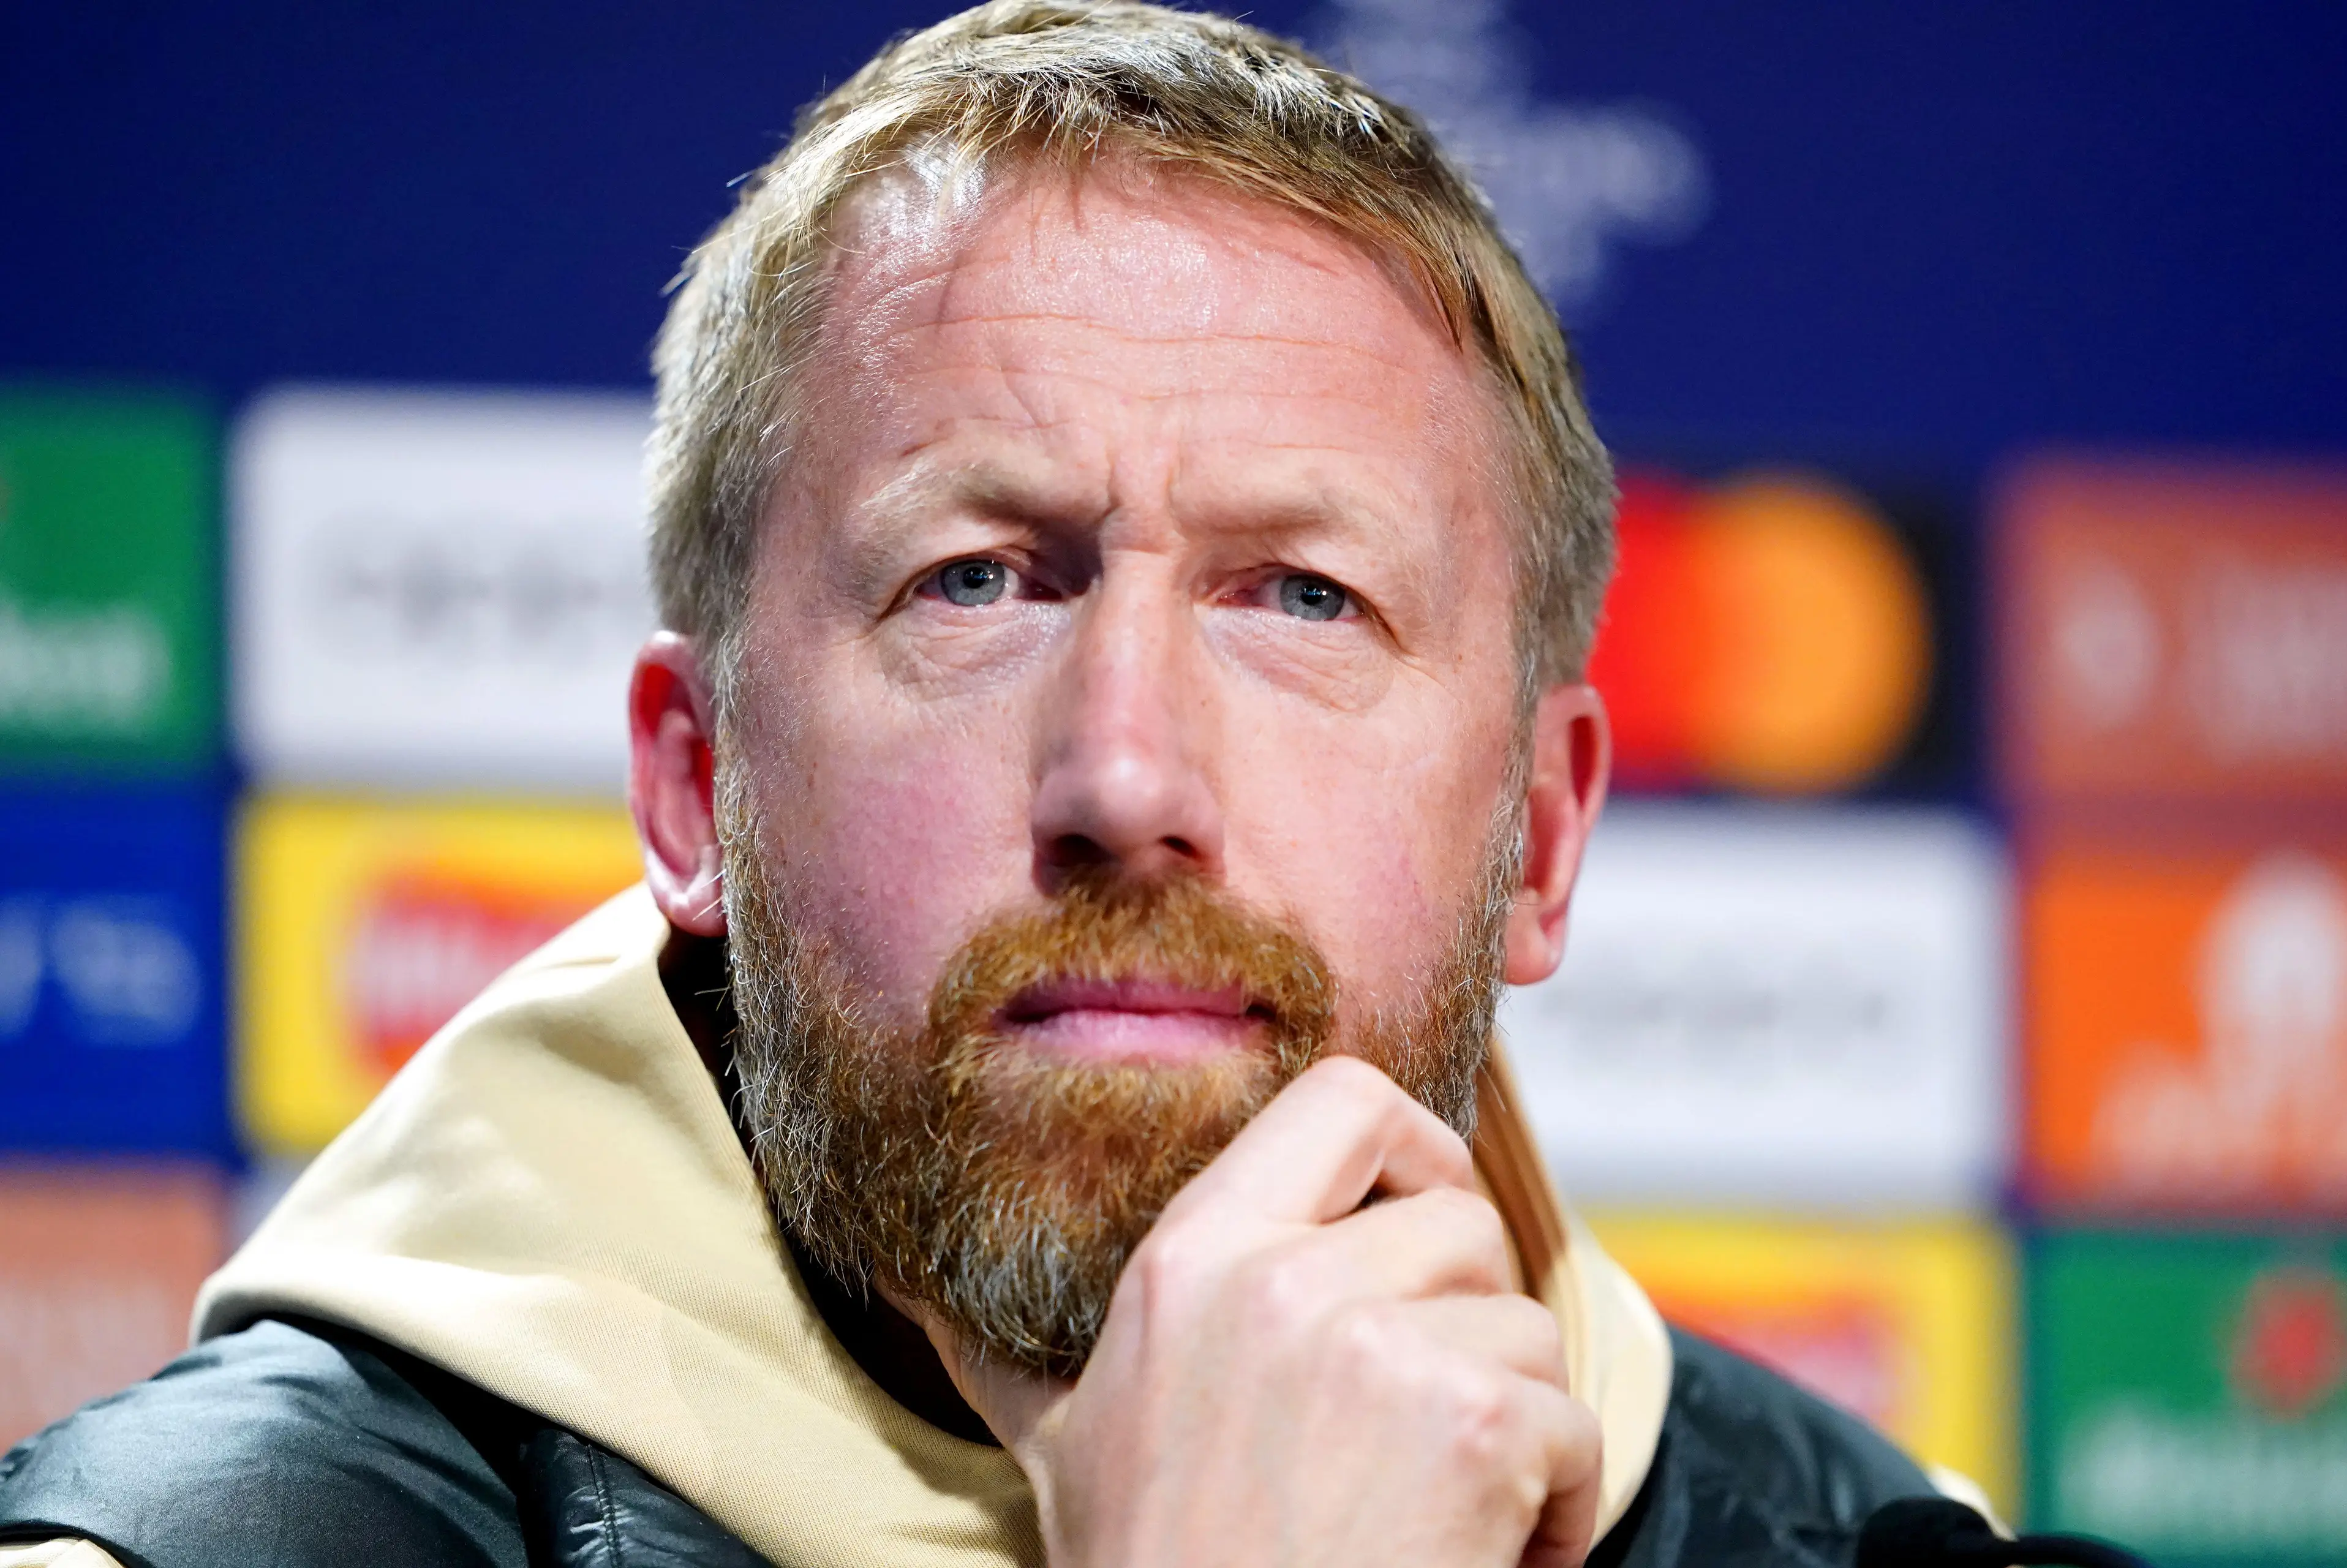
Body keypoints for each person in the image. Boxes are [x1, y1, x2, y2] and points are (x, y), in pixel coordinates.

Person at [1, 5, 1980, 1564]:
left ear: (1542, 839)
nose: (1126, 775)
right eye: (977, 583)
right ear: (698, 793)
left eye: (1302, 594)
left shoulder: (1882, 1551)